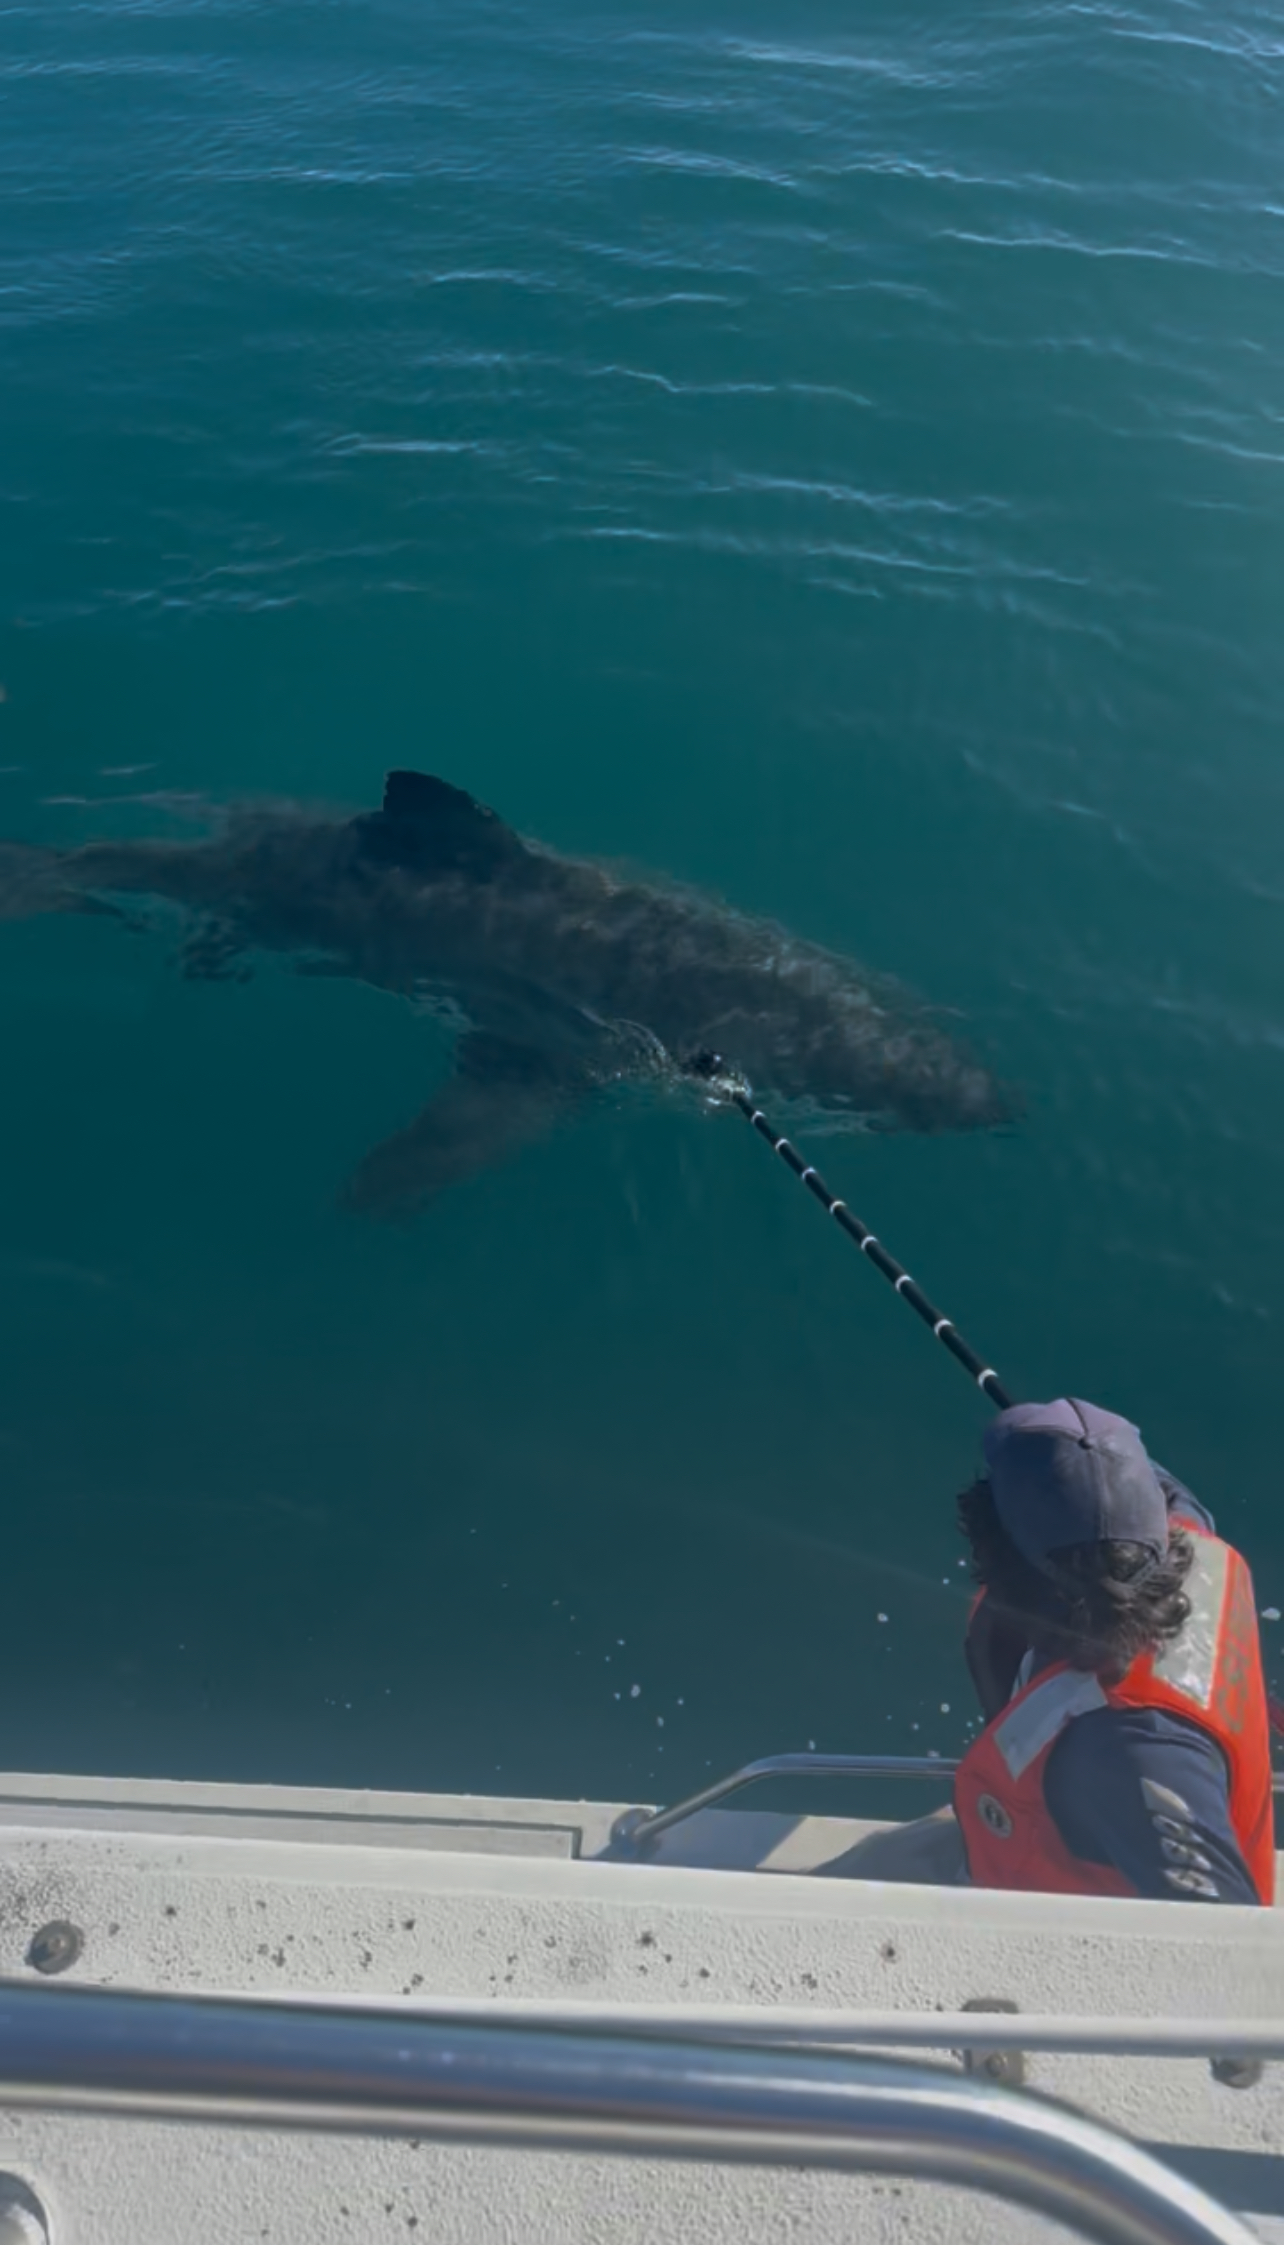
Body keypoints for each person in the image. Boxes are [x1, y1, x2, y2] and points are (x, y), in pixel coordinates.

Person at [818, 1399, 1275, 1903]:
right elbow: (1127, 1487)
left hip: (1073, 1930)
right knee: (843, 1880)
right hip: (1049, 1850)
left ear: (1005, 1557)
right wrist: (1080, 1450)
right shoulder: (1188, 1537)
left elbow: (1221, 1931)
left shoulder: (1128, 1749)